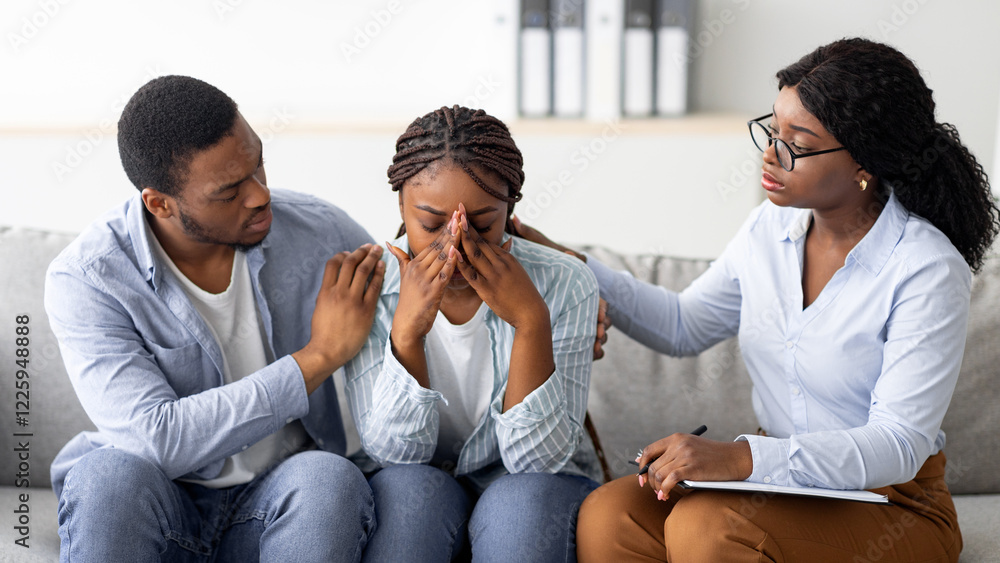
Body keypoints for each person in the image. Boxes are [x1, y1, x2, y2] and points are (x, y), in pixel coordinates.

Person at [517, 38, 1000, 562]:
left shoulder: (926, 267)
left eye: (798, 141)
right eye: (772, 129)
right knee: (610, 515)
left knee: (710, 528)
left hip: (891, 502)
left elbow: (898, 445)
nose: (770, 154)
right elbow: (684, 325)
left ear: (866, 160)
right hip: (786, 488)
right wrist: (569, 263)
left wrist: (741, 457)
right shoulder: (772, 226)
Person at [44, 75, 386, 562]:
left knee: (328, 476)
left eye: (258, 164)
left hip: (280, 498)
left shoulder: (320, 232)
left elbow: (419, 305)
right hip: (163, 503)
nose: (260, 195)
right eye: (229, 192)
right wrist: (320, 356)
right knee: (108, 477)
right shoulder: (88, 279)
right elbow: (156, 440)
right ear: (159, 203)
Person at [343, 105, 603, 562]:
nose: (458, 244)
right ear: (401, 204)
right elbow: (393, 455)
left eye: (482, 224)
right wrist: (406, 334)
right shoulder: (370, 286)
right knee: (407, 495)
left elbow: (537, 464)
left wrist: (531, 322)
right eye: (430, 224)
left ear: (511, 209)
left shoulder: (565, 282)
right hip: (414, 477)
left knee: (520, 505)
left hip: (534, 481)